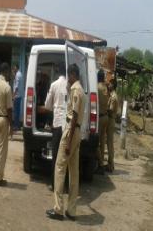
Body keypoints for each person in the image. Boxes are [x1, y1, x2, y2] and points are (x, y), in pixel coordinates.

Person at [46, 64, 85, 221]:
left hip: (70, 130)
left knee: (60, 167)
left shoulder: (75, 89)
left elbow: (74, 115)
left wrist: (68, 142)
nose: (68, 79)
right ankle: (72, 210)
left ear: (73, 75)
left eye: (70, 76)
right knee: (74, 173)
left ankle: (58, 209)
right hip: (77, 132)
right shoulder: (82, 90)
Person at [44, 63, 67, 191]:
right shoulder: (71, 86)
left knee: (56, 155)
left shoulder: (54, 85)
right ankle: (63, 183)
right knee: (65, 156)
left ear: (58, 72)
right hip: (68, 125)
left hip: (57, 124)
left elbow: (47, 105)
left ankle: (54, 184)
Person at [96, 69, 109, 175]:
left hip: (100, 118)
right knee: (102, 142)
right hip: (106, 117)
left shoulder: (97, 87)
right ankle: (101, 163)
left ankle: (100, 164)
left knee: (96, 142)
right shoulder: (106, 88)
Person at [105, 79, 119, 173]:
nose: (108, 85)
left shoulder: (114, 97)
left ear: (113, 85)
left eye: (109, 84)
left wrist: (103, 109)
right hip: (110, 119)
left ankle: (111, 165)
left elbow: (110, 110)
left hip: (111, 119)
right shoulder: (112, 95)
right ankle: (110, 164)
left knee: (110, 143)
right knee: (109, 142)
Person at [12, 64, 23, 132]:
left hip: (17, 96)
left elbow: (16, 86)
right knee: (17, 111)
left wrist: (13, 95)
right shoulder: (19, 74)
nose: (13, 69)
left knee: (16, 111)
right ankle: (17, 125)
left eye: (14, 68)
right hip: (19, 95)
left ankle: (16, 126)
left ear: (16, 68)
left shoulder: (17, 75)